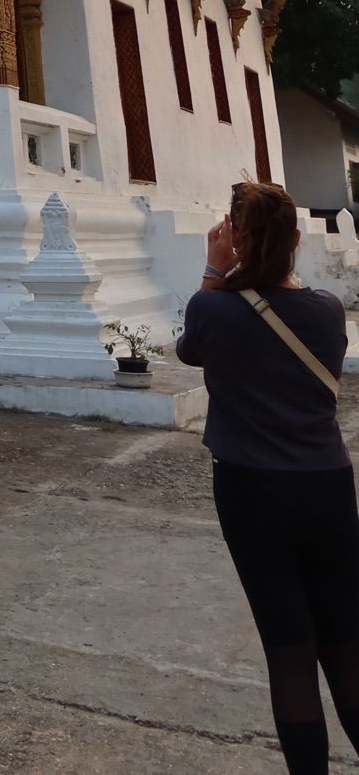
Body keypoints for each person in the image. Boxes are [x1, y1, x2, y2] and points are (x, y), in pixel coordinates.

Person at [177, 179, 359, 773]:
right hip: (327, 486)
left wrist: (214, 271)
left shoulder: (211, 308)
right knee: (346, 645)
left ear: (233, 238)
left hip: (252, 491)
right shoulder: (327, 310)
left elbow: (190, 352)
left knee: (291, 653)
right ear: (296, 240)